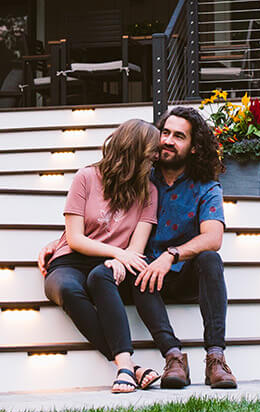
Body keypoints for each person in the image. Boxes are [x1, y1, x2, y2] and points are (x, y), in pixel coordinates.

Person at [39, 118, 163, 393]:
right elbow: (75, 239)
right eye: (153, 151)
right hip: (70, 259)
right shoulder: (86, 177)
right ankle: (130, 366)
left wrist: (119, 260)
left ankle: (124, 368)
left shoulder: (149, 192)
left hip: (109, 266)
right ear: (134, 150)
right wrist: (119, 254)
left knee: (100, 278)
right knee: (68, 290)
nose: (157, 157)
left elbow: (136, 248)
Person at [131, 106, 235, 389]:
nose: (167, 140)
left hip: (185, 273)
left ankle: (216, 358)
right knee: (138, 268)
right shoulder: (142, 176)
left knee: (210, 258)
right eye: (165, 132)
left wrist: (172, 254)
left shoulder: (206, 186)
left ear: (193, 147)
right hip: (149, 277)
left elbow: (213, 237)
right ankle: (173, 357)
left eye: (179, 136)